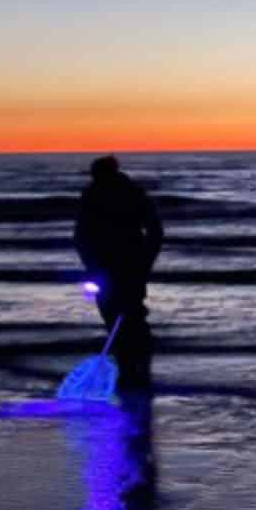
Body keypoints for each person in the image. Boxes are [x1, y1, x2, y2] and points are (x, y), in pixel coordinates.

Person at [74, 155, 164, 388]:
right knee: (121, 315)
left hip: (125, 264)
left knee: (128, 315)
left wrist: (146, 260)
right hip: (111, 265)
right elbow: (81, 235)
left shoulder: (127, 194)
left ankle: (136, 367)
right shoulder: (97, 195)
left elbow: (155, 230)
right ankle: (131, 367)